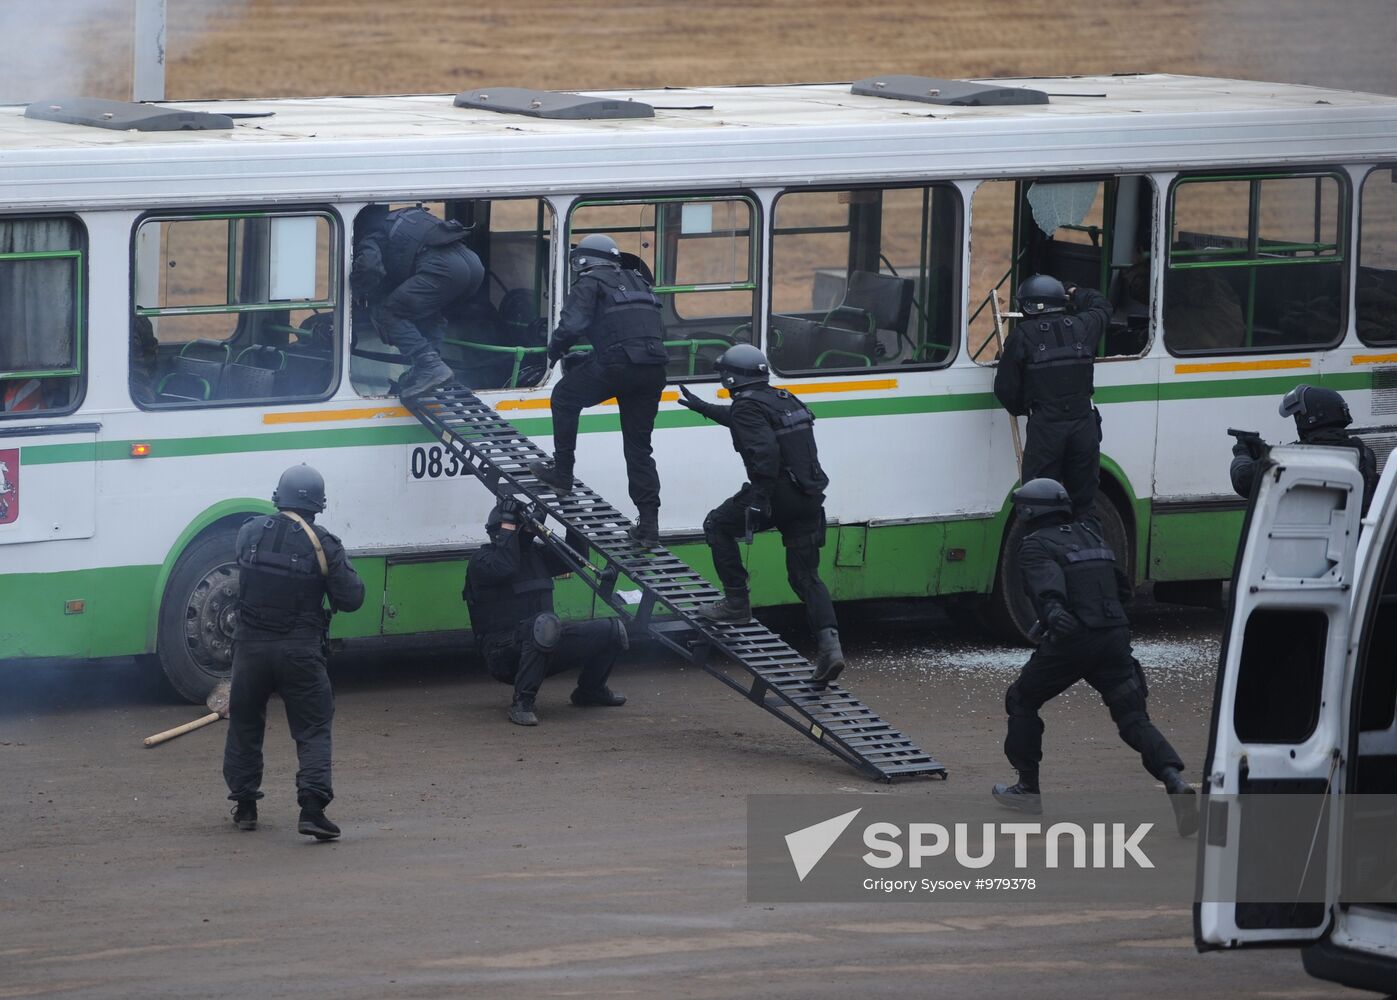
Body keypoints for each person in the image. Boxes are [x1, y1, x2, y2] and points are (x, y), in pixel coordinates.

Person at [991, 478, 1198, 837]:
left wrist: (1055, 614)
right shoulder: (1091, 535)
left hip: (1074, 640)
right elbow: (1121, 588)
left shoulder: (1035, 545)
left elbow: (1048, 585)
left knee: (1022, 699)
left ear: (1028, 512)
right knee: (1133, 718)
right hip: (1113, 635)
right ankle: (1174, 779)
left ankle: (1027, 789)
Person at [676, 344, 846, 689]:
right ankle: (830, 648)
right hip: (809, 498)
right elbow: (749, 422)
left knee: (717, 524)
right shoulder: (781, 398)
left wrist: (759, 499)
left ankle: (736, 601)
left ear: (730, 377)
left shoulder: (747, 407)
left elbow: (764, 451)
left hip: (776, 495)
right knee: (806, 578)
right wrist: (704, 408)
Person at [222, 465, 365, 840]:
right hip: (300, 652)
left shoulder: (249, 532)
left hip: (249, 651)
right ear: (318, 504)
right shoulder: (324, 544)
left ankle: (246, 807)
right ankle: (312, 811)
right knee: (314, 728)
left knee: (245, 724)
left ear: (278, 496)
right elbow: (351, 599)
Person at [528, 234, 667, 547]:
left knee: (564, 398)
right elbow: (639, 332)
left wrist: (555, 351)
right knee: (639, 449)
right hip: (653, 369)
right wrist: (590, 359)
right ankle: (648, 526)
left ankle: (562, 474)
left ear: (582, 262)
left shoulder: (588, 283)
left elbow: (572, 326)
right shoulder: (639, 283)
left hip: (618, 366)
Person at [464, 497, 629, 726]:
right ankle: (522, 704)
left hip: (545, 644)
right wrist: (510, 522)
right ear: (500, 532)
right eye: (517, 529)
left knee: (613, 630)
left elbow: (575, 558)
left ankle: (591, 690)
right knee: (544, 624)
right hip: (503, 655)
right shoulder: (482, 562)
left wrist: (570, 517)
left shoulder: (536, 556)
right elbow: (506, 566)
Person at [993, 274, 1113, 520]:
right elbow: (1102, 305)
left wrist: (1025, 409)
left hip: (1046, 428)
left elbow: (1005, 388)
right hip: (1084, 426)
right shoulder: (1083, 326)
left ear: (1027, 306)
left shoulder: (1022, 336)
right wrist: (1074, 290)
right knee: (1084, 503)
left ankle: (1044, 552)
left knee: (1039, 503)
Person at [351, 204, 485, 398]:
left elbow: (369, 267)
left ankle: (431, 366)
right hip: (473, 264)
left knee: (386, 313)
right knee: (428, 313)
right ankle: (429, 370)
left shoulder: (372, 230)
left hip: (444, 269)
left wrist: (359, 292)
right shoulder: (403, 219)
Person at [1230, 384, 1379, 516]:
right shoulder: (1363, 454)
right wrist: (1265, 451)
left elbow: (1243, 481)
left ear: (1308, 418)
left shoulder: (1295, 458)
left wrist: (1242, 453)